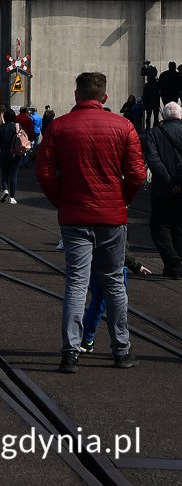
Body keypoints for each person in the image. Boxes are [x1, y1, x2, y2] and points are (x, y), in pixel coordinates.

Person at [36, 71, 147, 372]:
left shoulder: (59, 127)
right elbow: (137, 172)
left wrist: (61, 200)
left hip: (75, 216)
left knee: (76, 283)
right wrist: (122, 199)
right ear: (105, 98)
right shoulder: (124, 126)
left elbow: (44, 170)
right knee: (113, 283)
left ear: (76, 96)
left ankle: (70, 352)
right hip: (111, 217)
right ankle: (121, 350)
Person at [141, 101, 182, 278]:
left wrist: (169, 182)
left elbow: (153, 160)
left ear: (163, 116)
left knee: (158, 225)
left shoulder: (154, 133)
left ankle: (171, 257)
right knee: (179, 226)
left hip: (162, 190)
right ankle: (176, 267)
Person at [0, 109, 24, 204]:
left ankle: (5, 190)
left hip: (4, 153)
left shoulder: (0, 128)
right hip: (16, 153)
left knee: (4, 173)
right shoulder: (17, 127)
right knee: (13, 174)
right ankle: (12, 197)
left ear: (5, 117)